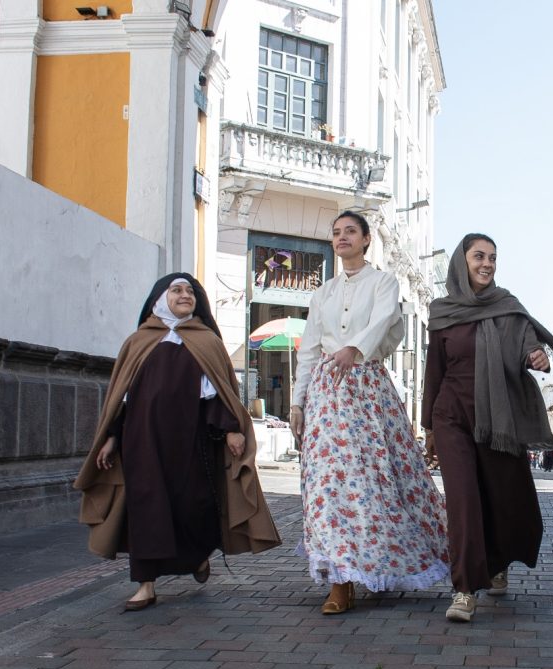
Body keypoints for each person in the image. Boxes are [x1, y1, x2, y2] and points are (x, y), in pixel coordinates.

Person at [74, 273, 282, 611]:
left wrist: (231, 429)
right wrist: (111, 438)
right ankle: (146, 584)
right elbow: (121, 398)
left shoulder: (207, 342)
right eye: (177, 290)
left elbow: (218, 394)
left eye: (190, 291)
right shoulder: (138, 341)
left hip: (191, 442)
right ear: (159, 299)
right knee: (145, 510)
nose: (185, 295)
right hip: (142, 443)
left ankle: (197, 555)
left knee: (193, 505)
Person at [290, 211, 448, 615]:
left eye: (350, 232)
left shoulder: (383, 282)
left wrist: (355, 348)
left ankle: (378, 562)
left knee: (373, 480)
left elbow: (384, 322)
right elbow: (308, 348)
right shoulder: (322, 293)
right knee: (328, 484)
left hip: (367, 390)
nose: (341, 238)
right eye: (336, 233)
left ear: (365, 240)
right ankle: (340, 581)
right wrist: (297, 401)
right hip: (327, 393)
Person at [422, 233, 553, 623]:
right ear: (461, 261)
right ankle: (465, 588)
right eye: (478, 256)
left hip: (497, 417)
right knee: (463, 501)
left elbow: (528, 345)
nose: (487, 263)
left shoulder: (508, 308)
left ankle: (498, 558)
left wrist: (536, 356)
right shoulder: (442, 311)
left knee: (504, 495)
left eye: (493, 258)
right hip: (451, 415)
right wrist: (428, 428)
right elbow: (433, 371)